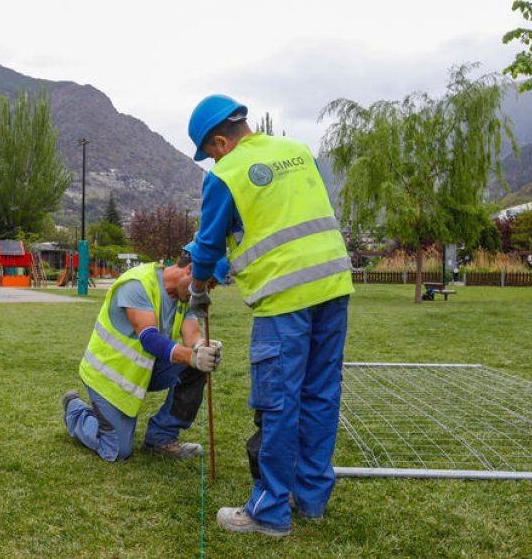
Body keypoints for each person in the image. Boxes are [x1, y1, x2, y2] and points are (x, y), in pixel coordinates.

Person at [186, 94, 354, 537]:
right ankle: (311, 499)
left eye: (210, 153)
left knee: (278, 402)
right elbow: (277, 222)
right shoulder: (298, 151)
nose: (212, 160)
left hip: (284, 299)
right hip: (334, 285)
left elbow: (207, 247)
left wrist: (199, 289)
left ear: (221, 142)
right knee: (320, 395)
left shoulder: (225, 174)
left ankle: (269, 511)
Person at [62, 255, 225, 462]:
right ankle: (75, 411)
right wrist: (193, 357)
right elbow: (149, 338)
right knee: (118, 451)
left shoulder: (186, 296)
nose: (206, 292)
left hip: (142, 371)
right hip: (107, 377)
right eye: (207, 284)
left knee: (197, 368)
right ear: (190, 269)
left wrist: (203, 347)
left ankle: (160, 439)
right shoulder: (137, 284)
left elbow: (192, 337)